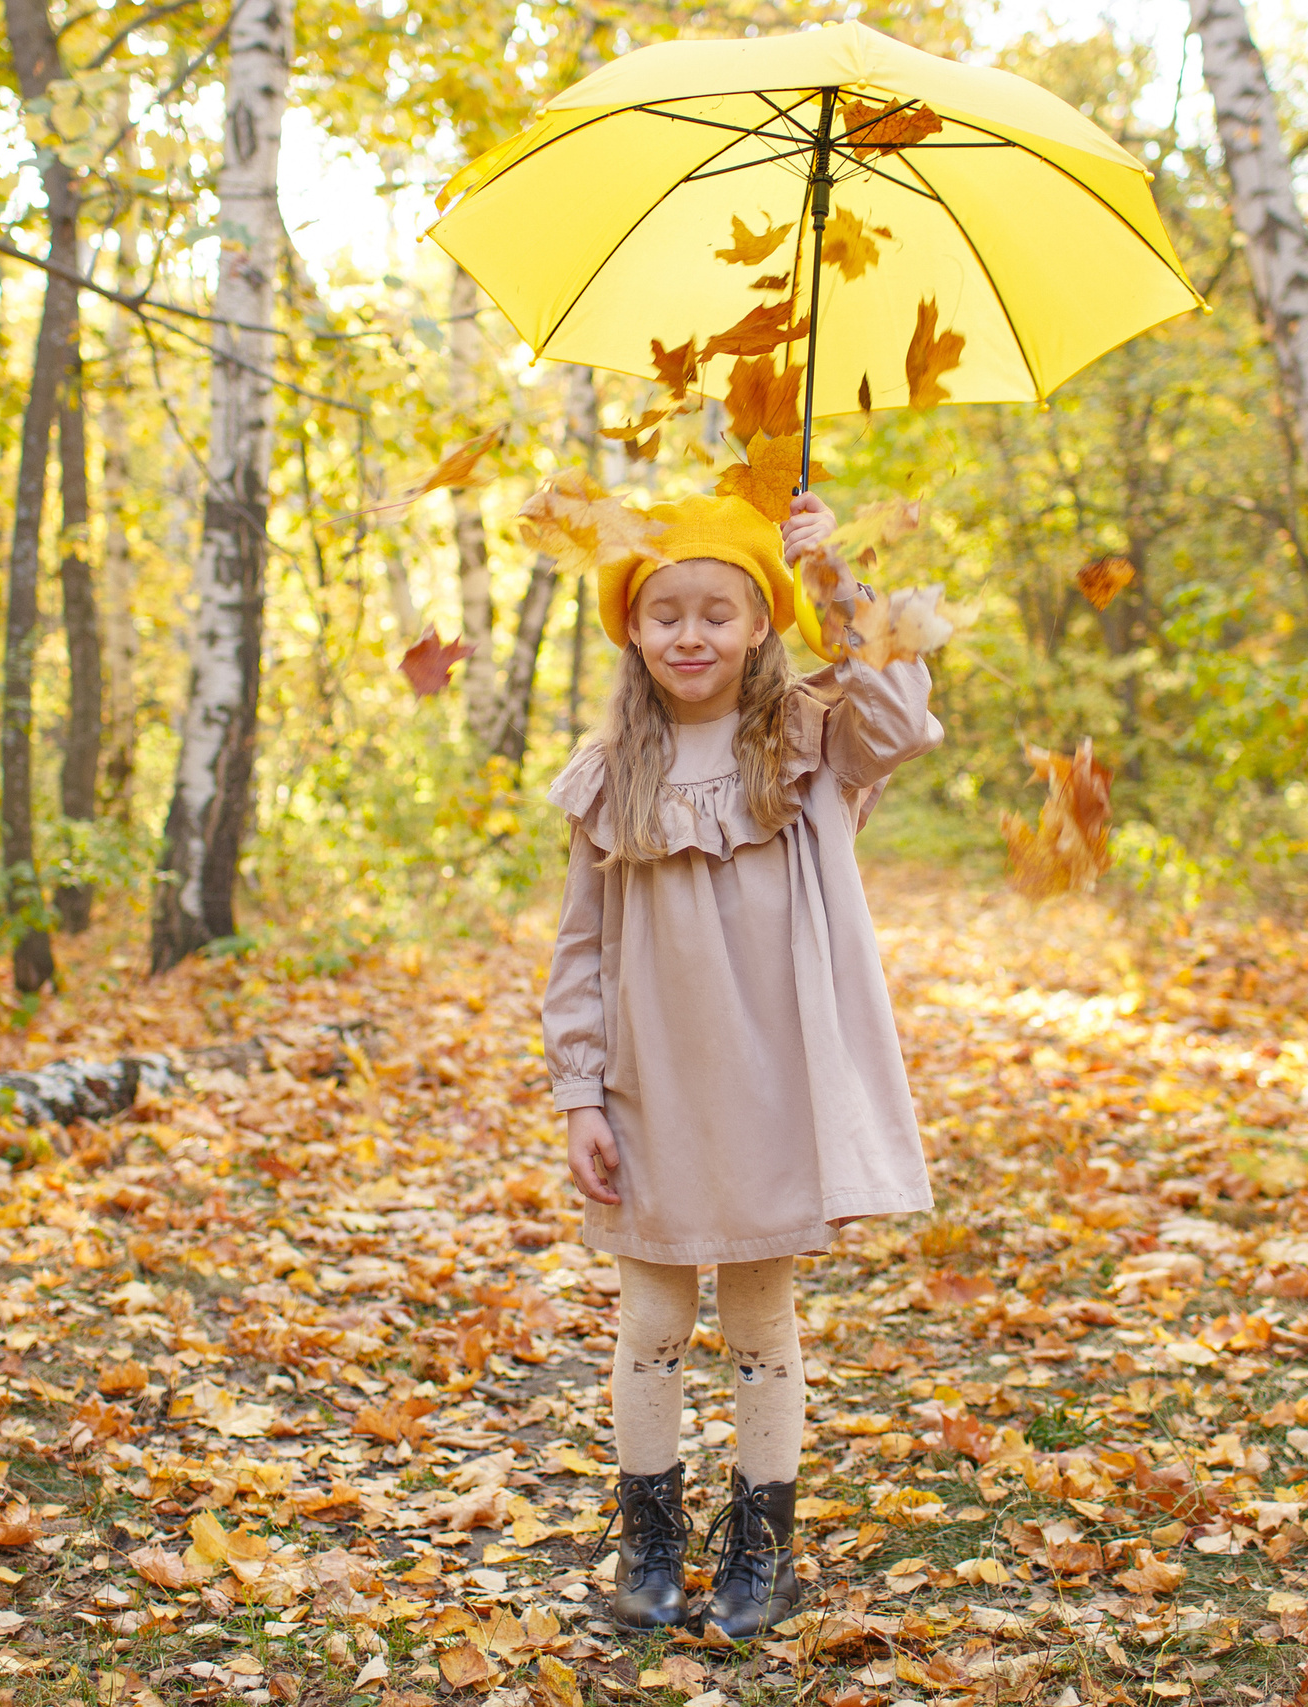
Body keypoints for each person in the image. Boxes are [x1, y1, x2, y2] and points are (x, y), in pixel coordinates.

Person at [541, 488, 942, 1638]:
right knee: (652, 1324)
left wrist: (834, 584)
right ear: (632, 631)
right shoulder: (610, 770)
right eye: (664, 613)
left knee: (761, 1328)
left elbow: (905, 718)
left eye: (719, 611)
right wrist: (581, 1095)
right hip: (653, 1085)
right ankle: (651, 1544)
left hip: (777, 1086)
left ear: (758, 624)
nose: (691, 634)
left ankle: (763, 1549)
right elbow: (579, 949)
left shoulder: (811, 738)